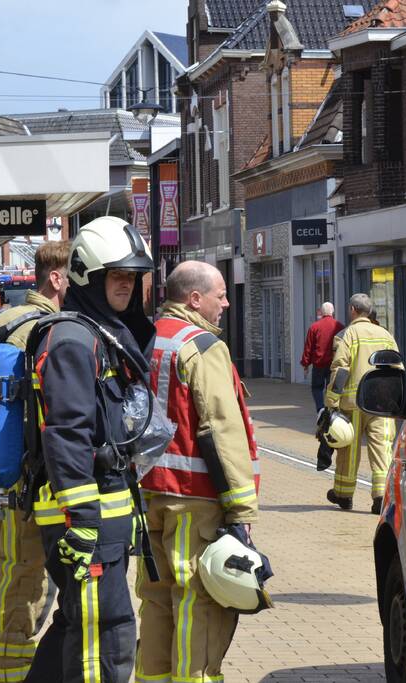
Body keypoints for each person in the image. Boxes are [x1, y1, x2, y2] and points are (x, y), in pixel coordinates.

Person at [24, 217, 155, 683]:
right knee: (107, 632)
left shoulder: (99, 334)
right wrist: (81, 521)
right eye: (116, 276)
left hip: (104, 515)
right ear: (87, 277)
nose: (126, 285)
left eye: (132, 277)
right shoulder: (72, 342)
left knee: (73, 624)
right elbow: (65, 431)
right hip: (84, 520)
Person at [135, 260, 260, 683]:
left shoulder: (144, 339)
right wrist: (241, 512)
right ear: (194, 299)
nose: (226, 303)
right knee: (197, 602)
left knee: (155, 599)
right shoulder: (203, 346)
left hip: (146, 495)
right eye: (220, 295)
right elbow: (222, 429)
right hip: (194, 500)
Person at [0, 239, 70, 683]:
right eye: (75, 275)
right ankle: (10, 672)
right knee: (24, 575)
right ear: (56, 278)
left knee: (14, 569)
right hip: (20, 483)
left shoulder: (2, 318)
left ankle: (8, 665)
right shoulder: (41, 328)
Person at [324, 293, 400, 514]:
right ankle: (380, 498)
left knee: (349, 450)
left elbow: (340, 369)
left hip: (353, 403)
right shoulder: (386, 335)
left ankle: (344, 495)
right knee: (382, 449)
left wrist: (332, 402)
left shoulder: (348, 335)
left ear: (352, 310)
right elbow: (397, 368)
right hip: (382, 405)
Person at [301, 302, 344, 414]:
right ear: (332, 311)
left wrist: (305, 364)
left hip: (318, 364)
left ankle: (320, 409)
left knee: (317, 388)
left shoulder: (314, 327)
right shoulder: (340, 326)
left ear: (321, 312)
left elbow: (308, 348)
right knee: (331, 389)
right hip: (333, 364)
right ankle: (331, 409)